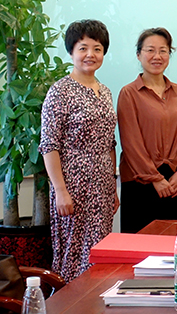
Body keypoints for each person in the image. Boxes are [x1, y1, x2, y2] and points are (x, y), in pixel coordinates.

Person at [39, 19, 118, 281]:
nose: (90, 55)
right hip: (72, 183)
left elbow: (110, 143)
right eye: (83, 48)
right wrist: (60, 191)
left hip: (102, 184)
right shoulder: (59, 91)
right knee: (73, 251)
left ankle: (95, 298)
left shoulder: (105, 91)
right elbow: (49, 144)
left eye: (97, 49)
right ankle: (69, 300)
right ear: (71, 51)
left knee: (100, 251)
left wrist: (113, 187)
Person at [117, 28, 177, 233]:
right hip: (140, 180)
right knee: (138, 245)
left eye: (163, 51)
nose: (157, 56)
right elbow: (131, 143)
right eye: (150, 50)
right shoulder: (129, 93)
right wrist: (156, 179)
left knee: (169, 244)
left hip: (173, 182)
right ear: (138, 54)